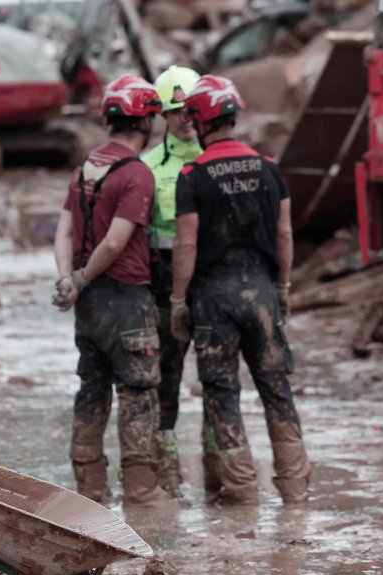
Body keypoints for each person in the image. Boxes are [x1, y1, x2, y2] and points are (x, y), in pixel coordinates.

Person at [169, 75, 311, 505]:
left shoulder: (192, 175)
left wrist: (178, 300)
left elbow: (187, 243)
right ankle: (295, 490)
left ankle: (244, 493)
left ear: (199, 120)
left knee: (222, 393)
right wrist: (282, 287)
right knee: (276, 387)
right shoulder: (270, 168)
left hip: (214, 299)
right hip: (263, 293)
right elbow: (285, 234)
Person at [50, 75, 172, 508]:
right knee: (138, 393)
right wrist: (81, 279)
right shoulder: (137, 174)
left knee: (92, 389)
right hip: (125, 299)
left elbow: (63, 230)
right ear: (147, 121)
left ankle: (90, 495)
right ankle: (141, 492)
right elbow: (117, 241)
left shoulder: (85, 167)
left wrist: (69, 280)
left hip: (89, 306)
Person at [141, 66, 203, 497]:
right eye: (176, 111)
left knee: (219, 377)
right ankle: (167, 473)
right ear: (163, 114)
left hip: (211, 280)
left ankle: (224, 475)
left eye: (192, 110)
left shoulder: (215, 158)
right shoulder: (146, 166)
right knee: (167, 376)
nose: (185, 118)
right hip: (162, 283)